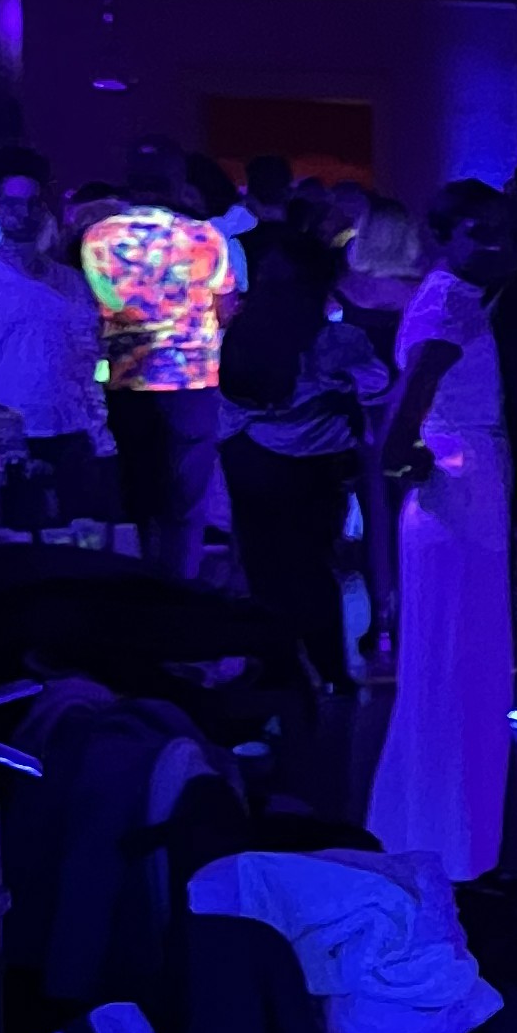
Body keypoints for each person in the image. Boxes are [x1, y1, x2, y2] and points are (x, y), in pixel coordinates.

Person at [362, 185, 517, 882]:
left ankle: (440, 836)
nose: (494, 245)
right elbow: (413, 395)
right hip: (458, 488)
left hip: (464, 484)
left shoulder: (452, 293)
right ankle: (449, 846)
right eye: (477, 232)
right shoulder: (450, 303)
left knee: (461, 662)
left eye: (500, 232)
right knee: (460, 663)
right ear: (443, 234)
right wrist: (408, 457)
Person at [216, 220, 389, 697]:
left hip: (265, 458)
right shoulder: (332, 338)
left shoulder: (255, 330)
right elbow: (376, 381)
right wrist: (328, 390)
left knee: (275, 567)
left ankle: (293, 666)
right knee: (302, 566)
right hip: (300, 462)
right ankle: (321, 668)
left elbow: (373, 381)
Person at [82, 142, 240, 579]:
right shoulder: (205, 236)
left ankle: (141, 584)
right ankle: (180, 587)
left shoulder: (98, 236)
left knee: (139, 488)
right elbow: (226, 310)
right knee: (187, 500)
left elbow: (97, 304)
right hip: (194, 379)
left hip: (126, 378)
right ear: (178, 182)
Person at [0, 151, 111, 528]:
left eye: (30, 203)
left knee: (81, 534)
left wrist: (98, 426)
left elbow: (87, 352)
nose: (21, 214)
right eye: (11, 203)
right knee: (22, 533)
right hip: (10, 432)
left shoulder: (70, 280)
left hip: (73, 426)